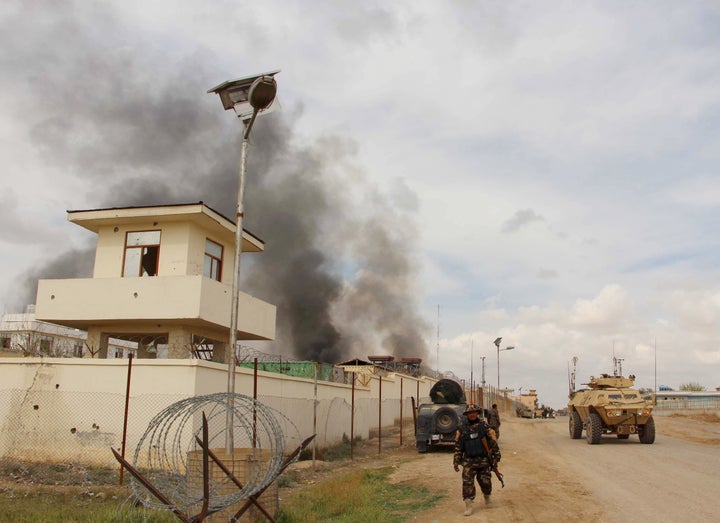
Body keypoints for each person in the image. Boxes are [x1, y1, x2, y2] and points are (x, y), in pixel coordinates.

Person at [453, 404, 501, 516]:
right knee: (467, 484)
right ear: (467, 415)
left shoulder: (484, 426)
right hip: (469, 461)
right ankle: (468, 505)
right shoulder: (462, 428)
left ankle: (487, 498)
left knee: (486, 482)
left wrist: (496, 457)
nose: (472, 414)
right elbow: (458, 446)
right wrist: (456, 461)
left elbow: (493, 442)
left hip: (483, 460)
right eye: (470, 413)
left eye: (474, 412)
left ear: (477, 413)